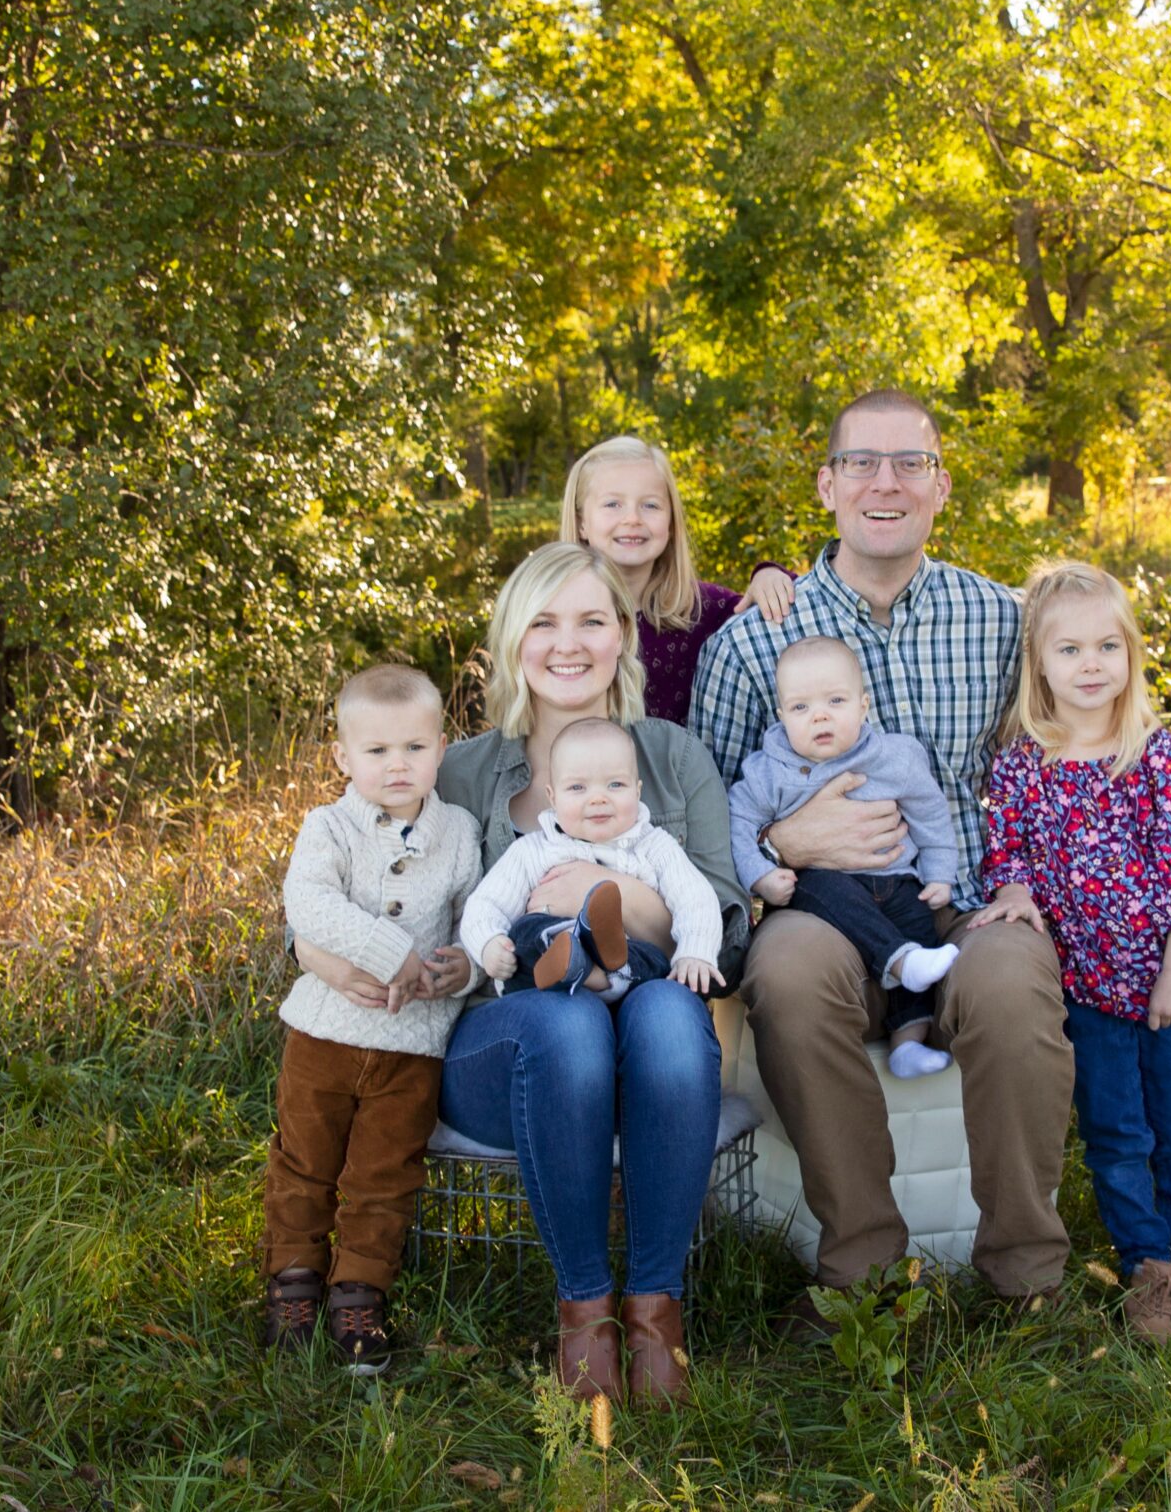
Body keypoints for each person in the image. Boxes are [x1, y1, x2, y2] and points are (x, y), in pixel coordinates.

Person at [293, 542, 747, 1406]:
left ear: (623, 636)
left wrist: (609, 896)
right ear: (511, 640)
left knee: (664, 1019)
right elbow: (340, 875)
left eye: (590, 620)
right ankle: (583, 1311)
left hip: (648, 1034)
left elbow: (723, 934)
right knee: (565, 1023)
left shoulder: (673, 757)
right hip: (505, 1052)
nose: (567, 643)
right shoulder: (455, 766)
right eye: (542, 621)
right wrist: (312, 951)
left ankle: (656, 1312)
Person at [688, 389, 1075, 1313]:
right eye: (861, 461)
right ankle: (863, 1276)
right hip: (817, 911)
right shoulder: (752, 641)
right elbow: (704, 823)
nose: (885, 482)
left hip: (969, 900)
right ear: (827, 484)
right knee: (785, 975)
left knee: (1013, 983)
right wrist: (782, 840)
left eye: (910, 463)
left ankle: (1025, 1275)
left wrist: (1021, 878)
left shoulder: (1002, 623)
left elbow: (1056, 771)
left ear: (941, 485)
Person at [974, 561, 1171, 1342]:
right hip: (1085, 993)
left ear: (1130, 655)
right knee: (1117, 1137)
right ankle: (1149, 1267)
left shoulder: (1150, 753)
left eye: (1106, 648)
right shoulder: (1024, 763)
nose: (1091, 666)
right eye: (1070, 650)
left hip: (1162, 986)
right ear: (1039, 665)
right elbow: (1004, 851)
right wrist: (1012, 890)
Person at [264, 664, 483, 1374]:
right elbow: (312, 907)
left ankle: (359, 1292)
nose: (398, 765)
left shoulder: (459, 831)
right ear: (343, 758)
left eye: (414, 748)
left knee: (386, 1174)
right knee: (305, 1160)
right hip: (324, 1033)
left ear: (442, 748)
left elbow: (473, 918)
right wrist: (396, 955)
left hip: (412, 1044)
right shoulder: (327, 827)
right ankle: (293, 1280)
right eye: (378, 751)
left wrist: (464, 967)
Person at [726, 636, 959, 1080]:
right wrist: (761, 874)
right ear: (781, 717)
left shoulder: (894, 757)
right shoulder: (769, 771)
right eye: (800, 708)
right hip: (819, 888)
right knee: (820, 887)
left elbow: (930, 813)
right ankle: (898, 959)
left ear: (863, 705)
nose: (820, 715)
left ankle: (908, 1043)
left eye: (835, 700)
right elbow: (738, 823)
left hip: (894, 879)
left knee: (920, 925)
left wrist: (940, 872)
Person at [459, 716, 725, 999]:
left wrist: (695, 952)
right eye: (577, 788)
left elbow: (695, 899)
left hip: (627, 968)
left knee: (653, 958)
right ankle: (574, 959)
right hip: (543, 978)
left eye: (615, 785)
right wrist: (488, 944)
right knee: (527, 931)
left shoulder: (654, 847)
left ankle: (599, 970)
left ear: (637, 790)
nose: (598, 799)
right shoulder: (535, 850)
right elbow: (487, 904)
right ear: (553, 797)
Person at [559, 435, 796, 723]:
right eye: (612, 504)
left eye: (650, 506)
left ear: (671, 523)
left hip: (682, 766)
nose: (632, 518)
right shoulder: (552, 612)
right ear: (582, 521)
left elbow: (791, 606)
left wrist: (768, 575)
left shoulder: (702, 608)